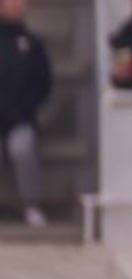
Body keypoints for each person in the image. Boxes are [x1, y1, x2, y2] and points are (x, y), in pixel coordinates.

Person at [0, 0, 51, 227]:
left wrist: (25, 109)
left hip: (20, 118)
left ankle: (31, 206)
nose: (17, 6)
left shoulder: (33, 43)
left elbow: (43, 82)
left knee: (21, 148)